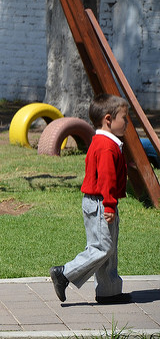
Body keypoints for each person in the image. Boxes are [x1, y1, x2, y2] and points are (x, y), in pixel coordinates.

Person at [50, 94, 132, 305]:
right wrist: (110, 205)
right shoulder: (106, 146)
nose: (127, 122)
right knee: (102, 247)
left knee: (109, 248)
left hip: (100, 202)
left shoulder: (106, 142)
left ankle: (109, 291)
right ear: (108, 119)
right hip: (100, 203)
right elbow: (107, 179)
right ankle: (64, 273)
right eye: (124, 117)